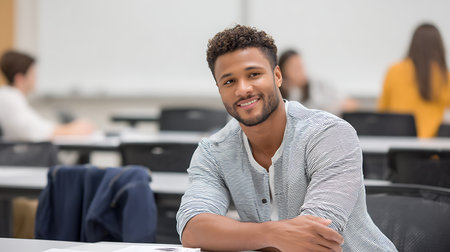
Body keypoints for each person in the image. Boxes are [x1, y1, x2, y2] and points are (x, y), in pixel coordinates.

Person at [176, 25, 396, 251]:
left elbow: (316, 239)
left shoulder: (330, 135)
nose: (243, 89)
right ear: (219, 89)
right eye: (229, 81)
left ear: (278, 76)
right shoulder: (213, 152)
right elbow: (193, 229)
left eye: (254, 74)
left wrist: (236, 236)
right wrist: (271, 233)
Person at [0, 50, 94, 141]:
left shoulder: (12, 96)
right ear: (19, 78)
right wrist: (70, 130)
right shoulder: (9, 98)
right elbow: (33, 131)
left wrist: (69, 129)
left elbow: (38, 126)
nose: (36, 78)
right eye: (32, 74)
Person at [377, 23, 450, 138]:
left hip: (398, 146)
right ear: (439, 46)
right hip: (432, 149)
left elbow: (382, 112)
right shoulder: (444, 76)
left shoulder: (394, 70)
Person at [278, 49, 358, 115]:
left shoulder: (320, 85)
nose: (301, 71)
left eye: (301, 66)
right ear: (283, 73)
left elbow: (351, 104)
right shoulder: (282, 96)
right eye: (295, 68)